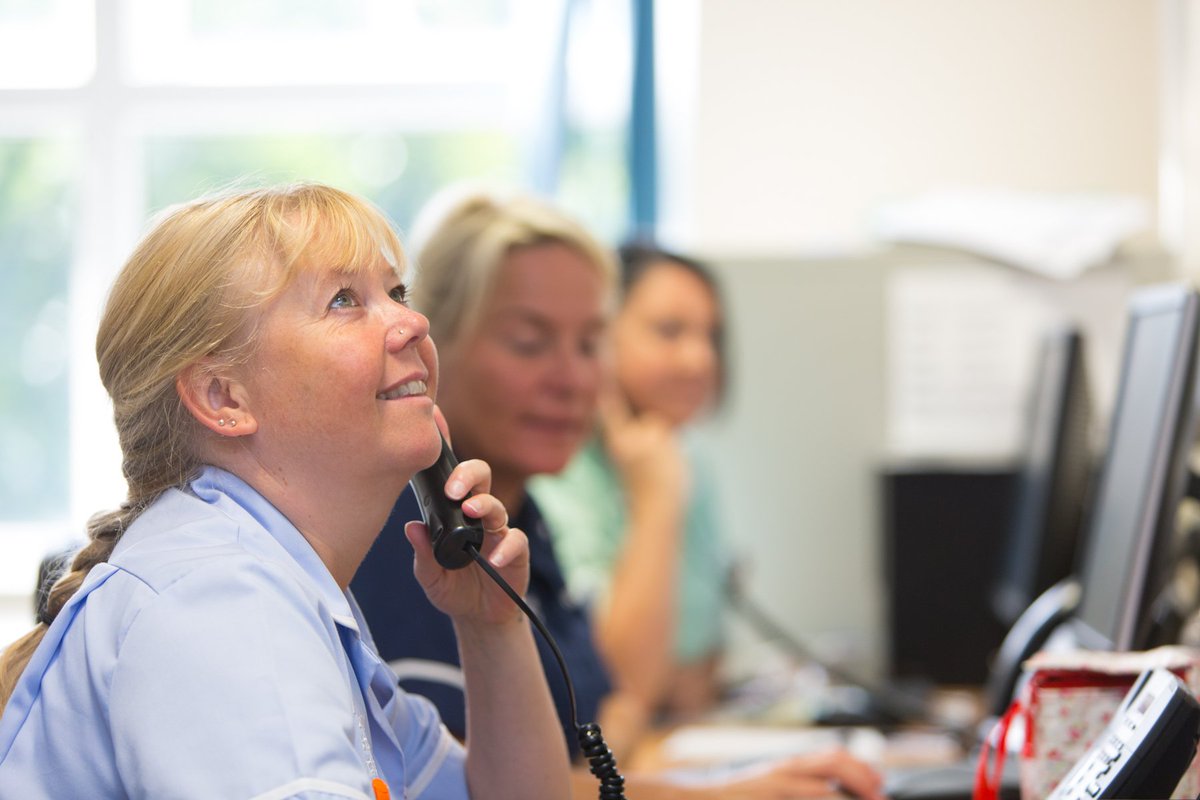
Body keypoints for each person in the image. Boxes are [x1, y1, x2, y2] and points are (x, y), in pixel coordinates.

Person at [0, 183, 571, 799]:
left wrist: (492, 631)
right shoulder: (218, 601)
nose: (414, 322)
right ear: (223, 397)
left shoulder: (286, 590)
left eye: (396, 292)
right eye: (345, 300)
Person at [352, 187, 886, 800]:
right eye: (529, 343)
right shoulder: (417, 535)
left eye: (589, 344)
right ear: (434, 345)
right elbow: (467, 787)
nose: (572, 378)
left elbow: (607, 720)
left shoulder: (518, 518)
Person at [529, 240, 735, 725]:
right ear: (600, 334)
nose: (700, 360)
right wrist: (657, 502)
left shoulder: (686, 458)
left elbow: (699, 672)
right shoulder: (554, 468)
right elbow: (615, 689)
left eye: (711, 337)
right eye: (670, 332)